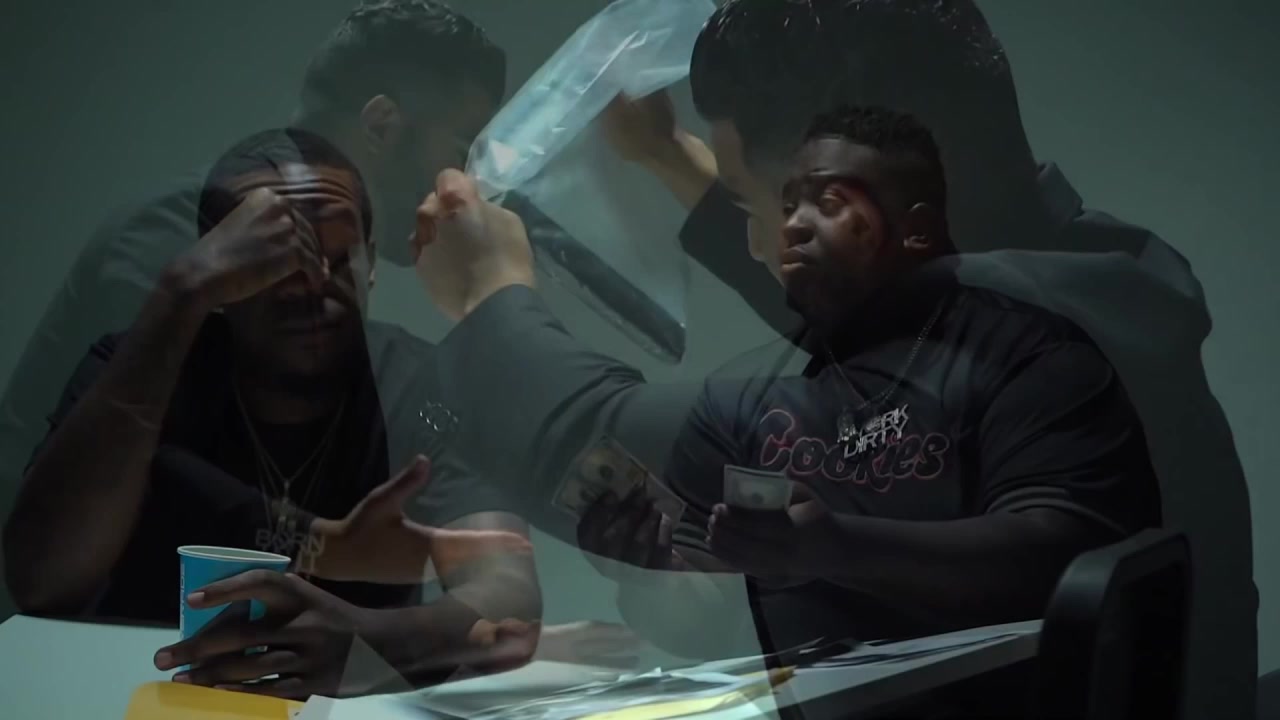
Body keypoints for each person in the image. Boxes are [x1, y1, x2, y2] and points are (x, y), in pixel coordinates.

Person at [423, 2, 1254, 717]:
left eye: (759, 204)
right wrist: (672, 156)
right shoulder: (1104, 281)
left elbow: (582, 435)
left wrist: (487, 293)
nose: (765, 241)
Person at [3, 128, 541, 698]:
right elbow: (42, 580)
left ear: (372, 265)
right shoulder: (139, 368)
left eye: (338, 259)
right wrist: (182, 290)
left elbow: (507, 594)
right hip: (134, 693)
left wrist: (365, 641)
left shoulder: (427, 385)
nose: (311, 285)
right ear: (219, 267)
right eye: (276, 262)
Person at [0, 0, 504, 604]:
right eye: (464, 147)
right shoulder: (174, 238)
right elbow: (152, 470)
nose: (469, 183)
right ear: (380, 126)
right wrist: (328, 548)